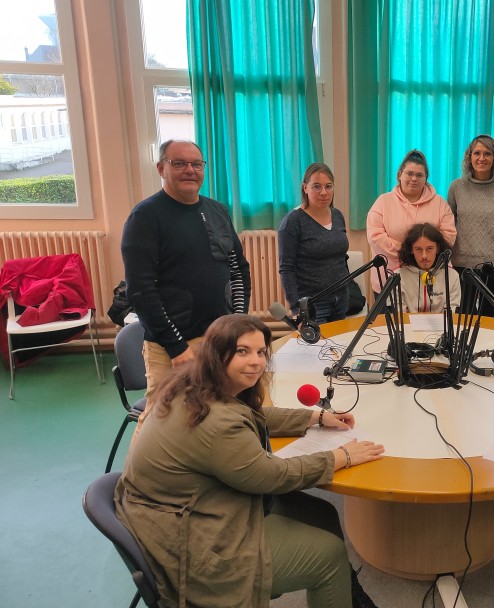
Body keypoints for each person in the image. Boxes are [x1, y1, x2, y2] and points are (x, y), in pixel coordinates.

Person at [114, 314, 385, 608]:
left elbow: (252, 414)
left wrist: (314, 417)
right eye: (242, 351)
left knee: (322, 511)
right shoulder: (217, 423)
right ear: (217, 354)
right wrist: (341, 456)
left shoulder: (196, 386)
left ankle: (345, 594)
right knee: (328, 555)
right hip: (193, 542)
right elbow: (271, 476)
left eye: (260, 352)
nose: (256, 362)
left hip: (187, 507)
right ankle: (335, 579)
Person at [121, 139, 250, 402]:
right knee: (163, 417)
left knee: (222, 411)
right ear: (161, 169)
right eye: (179, 163)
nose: (190, 170)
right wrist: (175, 346)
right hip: (173, 347)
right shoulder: (144, 217)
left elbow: (238, 270)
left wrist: (236, 325)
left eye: (196, 164)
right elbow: (141, 290)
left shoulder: (217, 210)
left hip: (219, 339)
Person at [447, 134, 494, 317]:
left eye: (487, 153)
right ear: (469, 157)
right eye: (477, 153)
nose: (482, 158)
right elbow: (448, 229)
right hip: (462, 267)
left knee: (488, 321)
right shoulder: (456, 188)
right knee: (462, 320)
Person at [366, 149, 456, 296]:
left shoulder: (440, 203)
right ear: (399, 175)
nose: (414, 178)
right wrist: (407, 252)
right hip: (390, 279)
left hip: (431, 280)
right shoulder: (383, 201)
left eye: (419, 175)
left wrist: (421, 254)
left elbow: (449, 236)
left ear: (426, 178)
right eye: (409, 173)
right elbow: (375, 236)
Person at [278, 163, 350, 325]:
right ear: (305, 188)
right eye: (316, 186)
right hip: (313, 303)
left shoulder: (337, 215)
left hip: (341, 298)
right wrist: (297, 308)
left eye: (328, 186)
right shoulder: (293, 221)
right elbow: (286, 269)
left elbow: (341, 257)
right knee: (318, 342)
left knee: (338, 340)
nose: (323, 192)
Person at [397, 223, 461, 313]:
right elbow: (399, 315)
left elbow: (451, 314)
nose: (424, 256)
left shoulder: (452, 276)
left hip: (442, 323)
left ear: (438, 248)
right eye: (418, 249)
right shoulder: (398, 276)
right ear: (411, 250)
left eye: (429, 248)